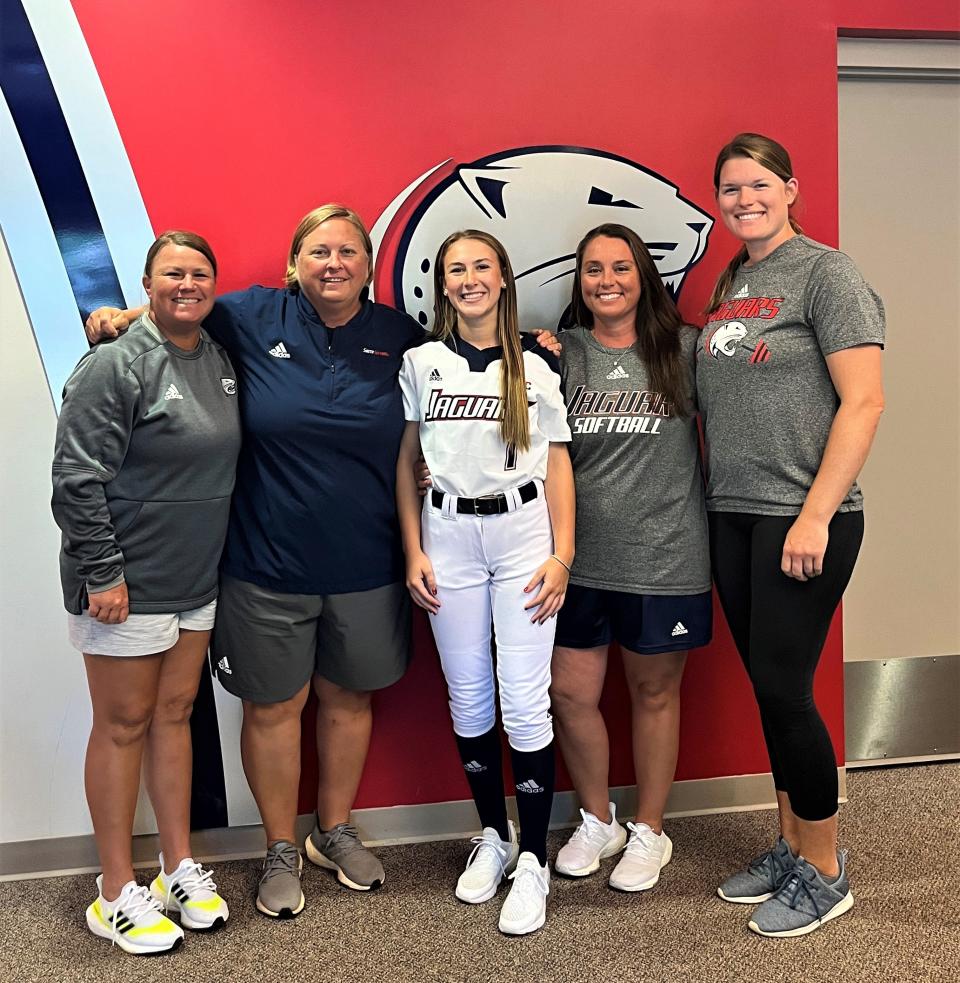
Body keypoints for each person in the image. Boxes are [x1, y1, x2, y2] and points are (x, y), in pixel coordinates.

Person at [85, 205, 423, 918]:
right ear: (293, 262)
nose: (334, 263)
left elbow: (467, 375)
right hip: (263, 562)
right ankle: (278, 845)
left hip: (368, 560)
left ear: (368, 263)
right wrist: (119, 315)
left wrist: (541, 345)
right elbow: (176, 318)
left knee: (349, 699)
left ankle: (332, 828)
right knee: (275, 707)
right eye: (318, 250)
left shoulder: (398, 335)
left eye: (348, 252)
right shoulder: (247, 317)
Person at [697, 133, 884, 937]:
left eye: (759, 184)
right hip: (731, 512)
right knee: (771, 691)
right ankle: (790, 842)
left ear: (789, 187)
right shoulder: (734, 281)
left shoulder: (826, 272)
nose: (745, 198)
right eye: (730, 188)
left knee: (784, 689)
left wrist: (813, 513)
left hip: (804, 516)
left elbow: (865, 401)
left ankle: (826, 868)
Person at [54, 231, 240, 954]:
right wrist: (103, 571)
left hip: (196, 580)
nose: (187, 284)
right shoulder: (115, 364)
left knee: (174, 716)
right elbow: (75, 478)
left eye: (199, 272)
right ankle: (112, 890)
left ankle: (175, 865)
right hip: (125, 588)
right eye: (172, 273)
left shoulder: (219, 359)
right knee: (123, 725)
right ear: (147, 282)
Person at [395, 230, 575, 936]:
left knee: (526, 700)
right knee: (468, 693)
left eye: (481, 266)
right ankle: (493, 836)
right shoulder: (420, 361)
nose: (469, 278)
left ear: (503, 275)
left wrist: (563, 556)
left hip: (524, 533)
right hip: (448, 535)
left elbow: (558, 463)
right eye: (455, 270)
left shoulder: (537, 359)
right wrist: (412, 548)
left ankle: (534, 856)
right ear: (443, 285)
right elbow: (408, 457)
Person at [548, 224, 711, 891]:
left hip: (665, 557)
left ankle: (650, 829)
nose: (606, 280)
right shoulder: (561, 354)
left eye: (620, 267)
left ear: (644, 275)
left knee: (653, 692)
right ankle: (598, 819)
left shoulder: (686, 348)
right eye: (592, 269)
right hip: (576, 560)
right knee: (569, 692)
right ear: (579, 281)